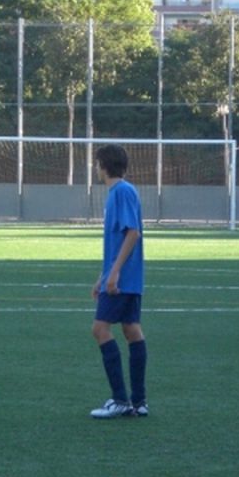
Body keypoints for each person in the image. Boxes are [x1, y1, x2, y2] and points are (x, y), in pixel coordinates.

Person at [89, 144, 148, 419]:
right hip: (128, 278)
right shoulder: (122, 192)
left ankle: (121, 400)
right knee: (131, 330)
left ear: (103, 164)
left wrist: (113, 275)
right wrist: (102, 276)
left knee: (100, 330)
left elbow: (132, 233)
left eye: (97, 162)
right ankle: (139, 402)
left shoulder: (121, 192)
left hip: (122, 280)